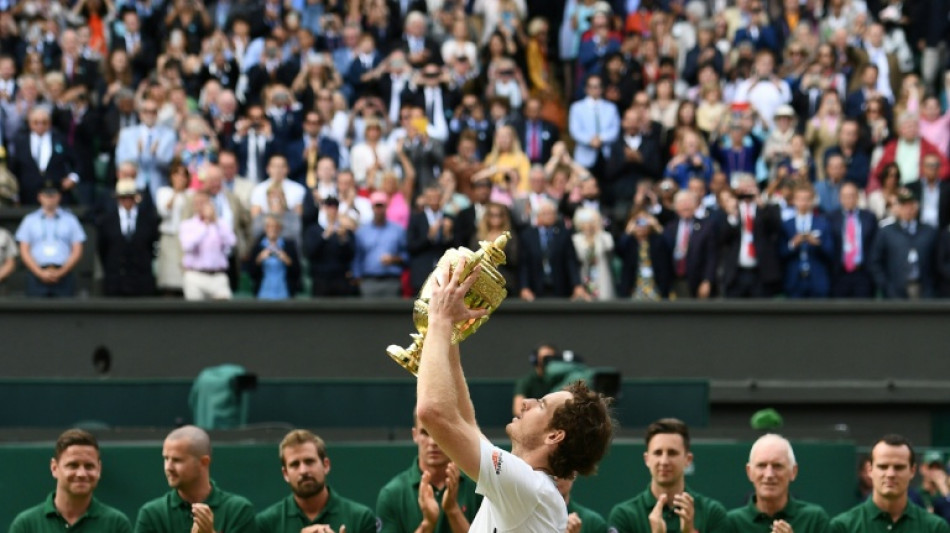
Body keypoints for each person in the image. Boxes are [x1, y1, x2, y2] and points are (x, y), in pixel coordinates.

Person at [414, 258, 614, 532]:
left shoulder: (530, 488)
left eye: (541, 405)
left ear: (554, 435)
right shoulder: (529, 486)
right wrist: (451, 336)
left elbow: (432, 413)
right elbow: (466, 422)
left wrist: (439, 318)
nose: (528, 402)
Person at [607, 418, 729, 533]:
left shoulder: (712, 513)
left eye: (672, 453)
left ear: (688, 459)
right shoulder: (624, 515)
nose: (664, 461)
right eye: (658, 453)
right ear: (647, 459)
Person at [135, 426, 256, 533]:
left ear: (204, 462)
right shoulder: (152, 514)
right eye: (166, 458)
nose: (168, 467)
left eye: (177, 460)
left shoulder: (238, 511)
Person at [8, 428, 132, 533]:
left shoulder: (116, 524)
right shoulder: (26, 525)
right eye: (73, 465)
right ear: (54, 468)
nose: (81, 474)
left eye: (89, 466)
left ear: (99, 469)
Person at [376, 412, 482, 533]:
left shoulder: (479, 487)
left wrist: (453, 510)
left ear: (454, 435)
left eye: (440, 433)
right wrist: (428, 523)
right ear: (415, 435)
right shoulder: (391, 494)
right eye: (425, 433)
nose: (433, 442)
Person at [257, 430, 377, 533]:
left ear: (326, 465)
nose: (303, 470)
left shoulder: (360, 518)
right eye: (295, 464)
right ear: (285, 474)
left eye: (309, 461)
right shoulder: (266, 524)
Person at [829, 435, 950, 533]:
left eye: (899, 467)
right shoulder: (843, 527)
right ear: (870, 470)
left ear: (912, 471)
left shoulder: (935, 528)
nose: (890, 474)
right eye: (883, 466)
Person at [727, 434, 830, 533]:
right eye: (762, 465)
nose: (769, 474)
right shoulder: (732, 523)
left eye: (777, 466)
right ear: (749, 472)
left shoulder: (814, 520)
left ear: (793, 472)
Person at [15, 181, 86, 298]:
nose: (50, 199)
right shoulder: (29, 220)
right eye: (46, 195)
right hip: (36, 275)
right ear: (39, 197)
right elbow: (24, 250)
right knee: (34, 314)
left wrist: (62, 272)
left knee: (65, 314)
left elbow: (77, 250)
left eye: (52, 195)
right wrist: (39, 273)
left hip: (64, 275)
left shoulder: (71, 220)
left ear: (59, 196)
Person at [869, 188, 938, 299]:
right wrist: (886, 286)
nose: (908, 209)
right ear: (897, 208)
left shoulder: (929, 231)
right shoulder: (886, 231)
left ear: (917, 207)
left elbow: (937, 262)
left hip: (925, 290)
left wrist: (933, 287)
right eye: (904, 206)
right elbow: (875, 262)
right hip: (895, 291)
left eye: (911, 205)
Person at [96, 178, 160, 297]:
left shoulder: (148, 220)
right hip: (115, 282)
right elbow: (102, 249)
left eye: (130, 197)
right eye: (123, 197)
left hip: (141, 282)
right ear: (117, 198)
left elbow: (151, 247)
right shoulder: (107, 220)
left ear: (136, 198)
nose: (127, 201)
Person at [10, 106, 81, 207]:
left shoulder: (60, 139)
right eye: (36, 122)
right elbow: (13, 169)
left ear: (50, 123)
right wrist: (14, 194)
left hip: (56, 194)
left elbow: (78, 162)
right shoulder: (20, 142)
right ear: (30, 123)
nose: (40, 125)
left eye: (44, 122)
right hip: (28, 196)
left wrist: (73, 178)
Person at [519, 199, 589, 301]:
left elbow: (571, 261)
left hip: (560, 287)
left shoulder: (564, 234)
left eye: (551, 213)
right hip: (535, 288)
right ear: (538, 216)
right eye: (545, 213)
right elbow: (523, 265)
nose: (548, 216)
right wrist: (524, 287)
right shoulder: (528, 235)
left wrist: (577, 285)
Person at [179, 190, 237, 301]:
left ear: (210, 203)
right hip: (195, 275)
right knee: (196, 315)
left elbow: (232, 242)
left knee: (224, 314)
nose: (200, 206)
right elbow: (187, 246)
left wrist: (214, 222)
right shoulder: (187, 225)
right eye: (197, 203)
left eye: (203, 202)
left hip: (218, 276)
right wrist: (205, 226)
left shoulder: (220, 224)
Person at [114, 98, 177, 202]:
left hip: (159, 186)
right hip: (134, 186)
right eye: (146, 111)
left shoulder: (169, 135)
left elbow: (170, 165)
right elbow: (120, 162)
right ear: (140, 113)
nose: (149, 115)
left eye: (153, 111)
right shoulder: (127, 134)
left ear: (157, 114)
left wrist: (155, 156)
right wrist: (137, 154)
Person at [779, 184, 834, 298]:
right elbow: (780, 253)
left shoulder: (823, 223)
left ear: (813, 201)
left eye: (807, 199)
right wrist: (793, 244)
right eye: (800, 199)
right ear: (794, 201)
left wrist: (817, 244)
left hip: (817, 280)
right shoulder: (786, 224)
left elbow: (831, 252)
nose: (803, 203)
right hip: (794, 280)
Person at [353, 191, 408, 297]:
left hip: (391, 281)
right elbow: (357, 257)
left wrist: (393, 259)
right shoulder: (362, 232)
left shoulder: (398, 230)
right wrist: (358, 278)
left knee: (391, 313)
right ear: (372, 208)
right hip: (369, 281)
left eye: (381, 206)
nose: (379, 210)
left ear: (386, 207)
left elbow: (407, 256)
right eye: (376, 206)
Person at [662, 190, 716, 299]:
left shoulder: (706, 227)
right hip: (674, 279)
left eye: (688, 202)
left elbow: (711, 256)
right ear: (676, 206)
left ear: (695, 205)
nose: (685, 206)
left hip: (697, 280)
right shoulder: (670, 227)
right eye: (682, 203)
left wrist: (707, 281)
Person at [828, 183, 878, 298]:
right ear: (840, 198)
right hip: (839, 273)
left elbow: (874, 245)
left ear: (857, 197)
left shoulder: (869, 217)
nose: (849, 199)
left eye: (852, 195)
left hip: (863, 273)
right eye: (845, 196)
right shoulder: (831, 218)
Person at [304, 197, 357, 297]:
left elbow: (351, 254)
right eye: (329, 207)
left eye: (334, 207)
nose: (332, 211)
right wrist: (325, 236)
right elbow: (310, 252)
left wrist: (343, 239)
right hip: (321, 279)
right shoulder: (313, 230)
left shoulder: (345, 231)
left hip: (340, 279)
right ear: (324, 209)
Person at [408, 184, 454, 294]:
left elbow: (458, 246)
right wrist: (428, 237)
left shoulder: (450, 218)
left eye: (436, 198)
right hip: (422, 274)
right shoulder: (416, 219)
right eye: (430, 198)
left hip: (444, 274)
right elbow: (411, 246)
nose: (434, 201)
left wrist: (447, 235)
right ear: (425, 199)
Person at [155, 160, 191, 295]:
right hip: (169, 238)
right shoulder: (163, 192)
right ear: (171, 176)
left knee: (185, 281)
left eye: (184, 175)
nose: (180, 178)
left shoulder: (191, 194)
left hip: (186, 241)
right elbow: (164, 212)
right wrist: (176, 192)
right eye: (177, 174)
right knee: (168, 280)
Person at [250, 214, 301, 300]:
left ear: (280, 228)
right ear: (265, 228)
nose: (272, 229)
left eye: (275, 226)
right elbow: (251, 273)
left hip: (284, 294)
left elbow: (297, 272)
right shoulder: (258, 247)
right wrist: (259, 259)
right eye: (269, 226)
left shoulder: (289, 246)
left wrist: (287, 260)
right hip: (263, 293)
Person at [906, 154, 950, 230]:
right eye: (929, 165)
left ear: (939, 168)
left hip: (941, 230)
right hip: (918, 231)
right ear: (923, 167)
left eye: (935, 165)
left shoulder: (947, 188)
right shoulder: (912, 187)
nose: (932, 168)